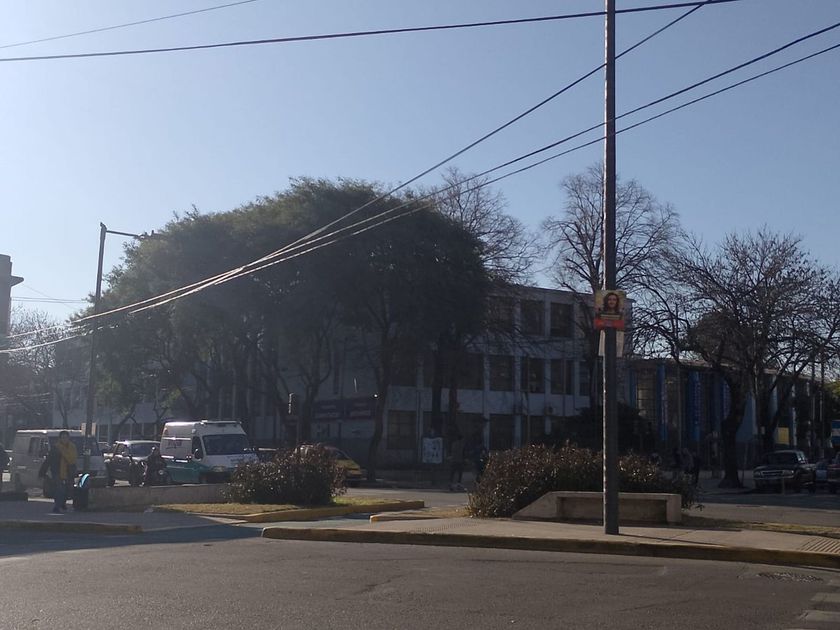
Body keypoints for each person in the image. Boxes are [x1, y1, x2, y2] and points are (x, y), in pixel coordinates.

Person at [38, 431, 78, 513]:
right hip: (57, 472)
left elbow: (73, 460)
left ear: (68, 438)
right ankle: (57, 506)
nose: (64, 439)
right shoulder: (56, 448)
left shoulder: (72, 447)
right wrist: (42, 471)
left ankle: (62, 503)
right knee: (59, 489)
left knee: (68, 490)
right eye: (63, 437)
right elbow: (49, 460)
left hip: (69, 472)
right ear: (60, 439)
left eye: (66, 437)